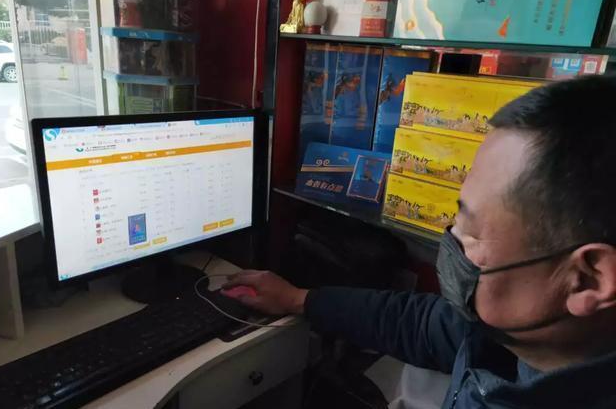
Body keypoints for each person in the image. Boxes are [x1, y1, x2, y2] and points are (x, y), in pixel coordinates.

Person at [223, 75, 616, 408]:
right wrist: (298, 299)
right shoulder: (516, 335)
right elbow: (422, 324)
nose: (452, 242)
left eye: (471, 231)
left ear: (587, 279)